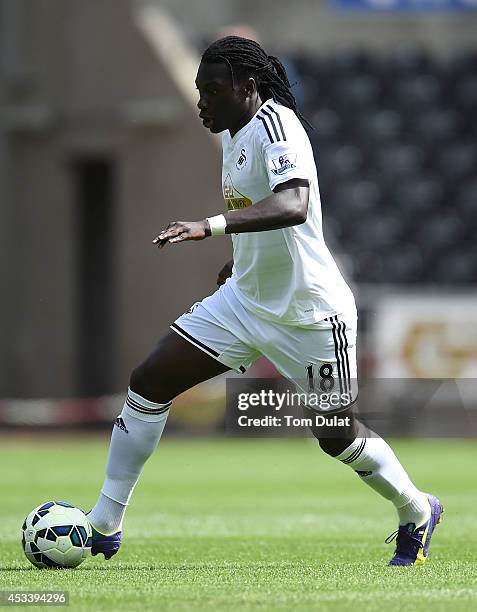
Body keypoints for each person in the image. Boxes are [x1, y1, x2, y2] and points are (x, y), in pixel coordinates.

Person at [87, 36, 443, 566]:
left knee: (336, 436)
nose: (201, 101)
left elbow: (294, 203)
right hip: (245, 304)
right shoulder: (233, 132)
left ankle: (417, 509)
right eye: (197, 90)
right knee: (149, 382)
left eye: (211, 90)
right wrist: (241, 258)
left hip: (311, 317)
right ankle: (104, 523)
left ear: (247, 87)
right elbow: (261, 210)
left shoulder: (276, 126)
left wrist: (208, 227)